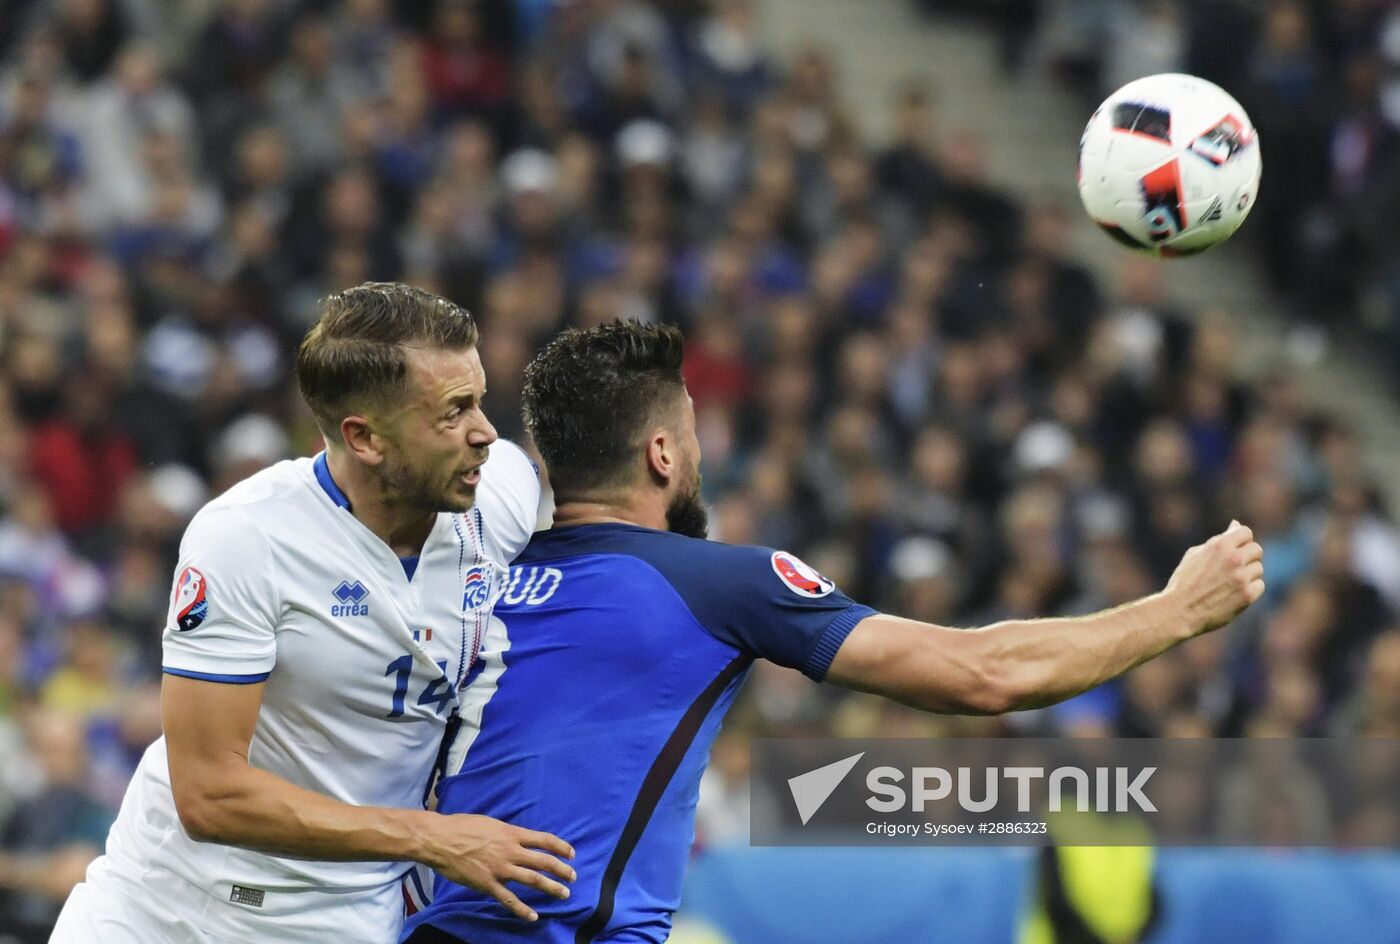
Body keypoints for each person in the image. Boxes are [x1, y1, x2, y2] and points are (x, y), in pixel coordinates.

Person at [400, 321, 1265, 944]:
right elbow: (983, 675)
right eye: (693, 437)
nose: (699, 458)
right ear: (663, 454)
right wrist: (1179, 608)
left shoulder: (477, 584)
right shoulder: (712, 581)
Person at [51, 283, 576, 944]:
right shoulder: (248, 538)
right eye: (452, 412)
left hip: (340, 921)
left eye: (480, 400)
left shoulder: (497, 492)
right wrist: (432, 837)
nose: (485, 433)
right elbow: (209, 794)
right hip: (167, 908)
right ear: (364, 438)